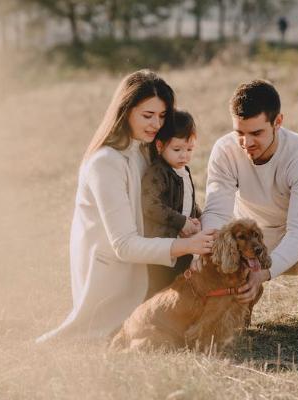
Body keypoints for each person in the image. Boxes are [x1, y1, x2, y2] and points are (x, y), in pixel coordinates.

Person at [36, 70, 216, 343]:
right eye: (148, 115)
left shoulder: (145, 150)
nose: (157, 123)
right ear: (126, 110)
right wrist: (189, 246)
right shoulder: (105, 162)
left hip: (151, 268)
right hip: (115, 280)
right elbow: (124, 245)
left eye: (162, 116)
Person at [201, 79, 298, 339]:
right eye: (240, 133)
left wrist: (264, 273)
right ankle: (238, 301)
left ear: (278, 122)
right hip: (249, 247)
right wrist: (208, 256)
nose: (246, 142)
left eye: (256, 133)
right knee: (212, 229)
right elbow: (216, 213)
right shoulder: (225, 150)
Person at [141, 110, 202, 299]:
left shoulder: (184, 170)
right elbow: (150, 205)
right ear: (160, 146)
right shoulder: (158, 172)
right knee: (159, 289)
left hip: (183, 245)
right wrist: (182, 222)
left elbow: (187, 200)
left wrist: (197, 217)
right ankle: (151, 323)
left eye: (189, 149)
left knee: (181, 285)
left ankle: (178, 319)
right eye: (177, 150)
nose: (184, 155)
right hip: (162, 247)